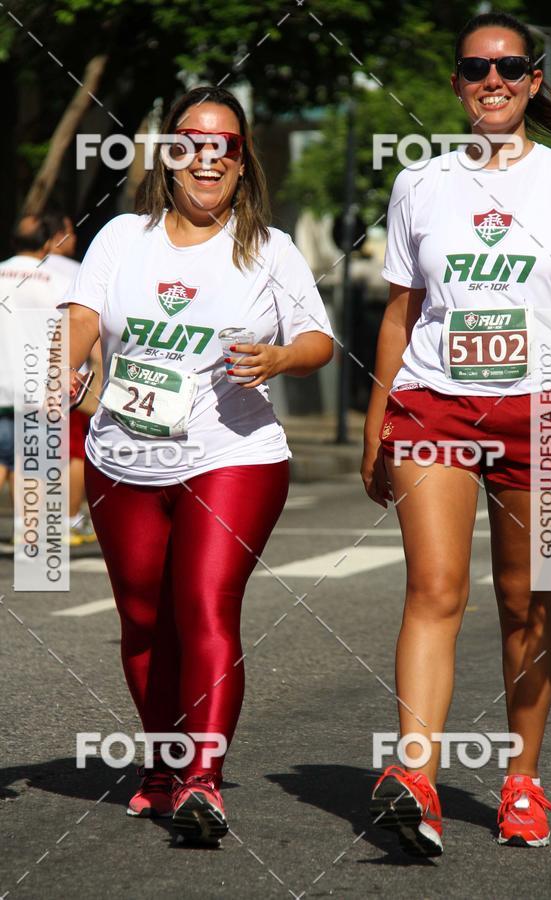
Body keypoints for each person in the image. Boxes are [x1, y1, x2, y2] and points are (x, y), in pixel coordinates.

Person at [61, 85, 333, 843]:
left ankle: (203, 782)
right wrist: (68, 365)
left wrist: (278, 356)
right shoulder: (121, 238)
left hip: (233, 455)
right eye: (191, 142)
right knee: (144, 621)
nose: (208, 157)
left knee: (205, 605)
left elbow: (319, 341)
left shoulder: (270, 250)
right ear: (166, 155)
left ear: (244, 165)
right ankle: (161, 766)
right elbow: (83, 316)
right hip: (124, 454)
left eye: (227, 146)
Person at [362, 11, 551, 855]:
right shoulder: (420, 183)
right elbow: (401, 311)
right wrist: (376, 419)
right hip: (435, 403)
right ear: (457, 84)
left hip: (545, 410)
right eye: (475, 69)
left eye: (510, 67)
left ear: (535, 80)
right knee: (434, 591)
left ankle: (523, 781)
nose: (492, 81)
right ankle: (415, 778)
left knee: (527, 602)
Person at [0, 214, 71, 505]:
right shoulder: (61, 280)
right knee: (33, 470)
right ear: (46, 244)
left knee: (3, 462)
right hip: (39, 391)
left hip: (1, 388)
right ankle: (29, 543)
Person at [45, 211, 99, 545]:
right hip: (69, 378)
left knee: (19, 455)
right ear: (53, 236)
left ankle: (32, 525)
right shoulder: (77, 271)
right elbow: (88, 322)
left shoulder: (6, 269)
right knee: (74, 452)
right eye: (69, 231)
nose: (74, 238)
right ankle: (70, 519)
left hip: (16, 380)